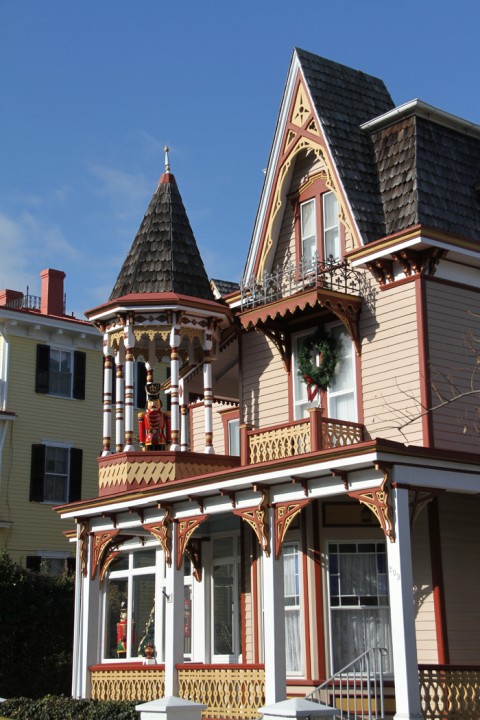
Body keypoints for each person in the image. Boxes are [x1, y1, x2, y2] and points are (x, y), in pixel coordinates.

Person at [138, 383, 168, 450]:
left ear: (160, 403)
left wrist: (169, 441)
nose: (153, 404)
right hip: (149, 438)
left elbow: (168, 426)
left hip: (161, 438)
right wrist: (142, 443)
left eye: (156, 402)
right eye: (151, 402)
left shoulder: (164, 415)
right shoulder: (143, 415)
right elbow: (141, 429)